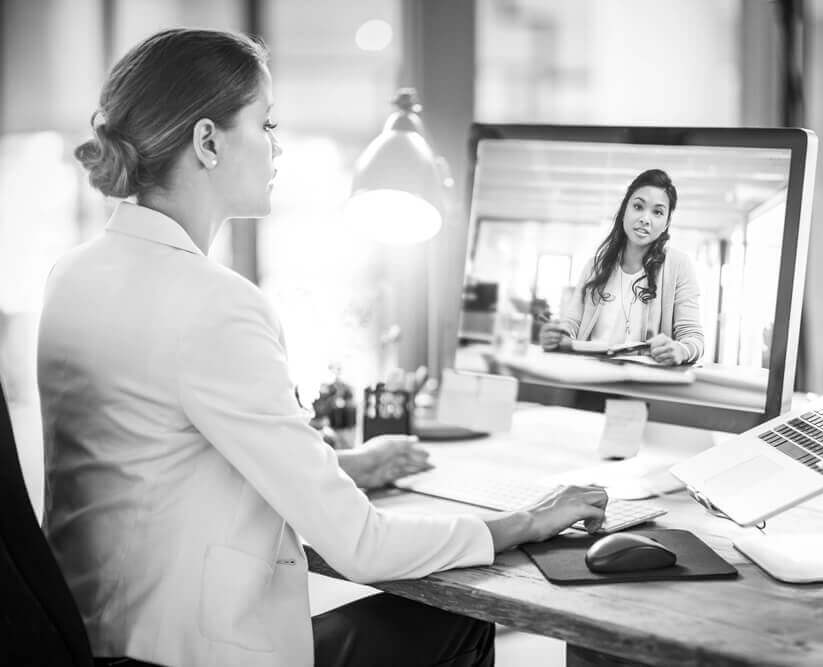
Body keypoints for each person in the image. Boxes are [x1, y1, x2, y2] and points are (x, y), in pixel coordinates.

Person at [38, 28, 607, 667]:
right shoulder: (217, 306)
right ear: (207, 142)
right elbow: (361, 547)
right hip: (194, 654)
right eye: (266, 123)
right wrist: (526, 521)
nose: (278, 148)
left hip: (98, 640)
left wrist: (348, 466)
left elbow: (158, 457)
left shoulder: (74, 275)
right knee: (455, 623)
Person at [539, 169, 704, 366]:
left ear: (666, 223)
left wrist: (681, 350)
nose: (645, 219)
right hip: (588, 378)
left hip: (642, 384)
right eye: (638, 206)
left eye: (657, 212)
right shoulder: (595, 266)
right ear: (625, 210)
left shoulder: (679, 266)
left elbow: (694, 339)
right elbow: (572, 324)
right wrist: (557, 336)